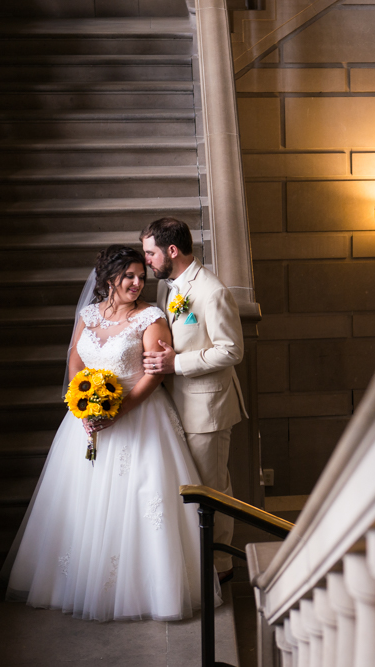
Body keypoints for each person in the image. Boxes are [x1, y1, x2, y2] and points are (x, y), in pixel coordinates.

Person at [0, 245, 211, 622]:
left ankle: (149, 593)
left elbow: (155, 372)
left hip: (139, 418)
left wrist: (118, 410)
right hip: (87, 421)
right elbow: (76, 359)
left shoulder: (151, 317)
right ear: (109, 277)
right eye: (129, 276)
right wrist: (84, 404)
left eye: (140, 277)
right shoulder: (88, 313)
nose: (136, 283)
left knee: (142, 503)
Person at [140, 217, 247, 582]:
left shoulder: (211, 291)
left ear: (172, 250)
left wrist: (177, 363)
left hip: (207, 409)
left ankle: (221, 569)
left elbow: (232, 351)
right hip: (177, 406)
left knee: (212, 489)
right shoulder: (169, 287)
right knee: (192, 487)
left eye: (151, 253)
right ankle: (201, 564)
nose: (147, 261)